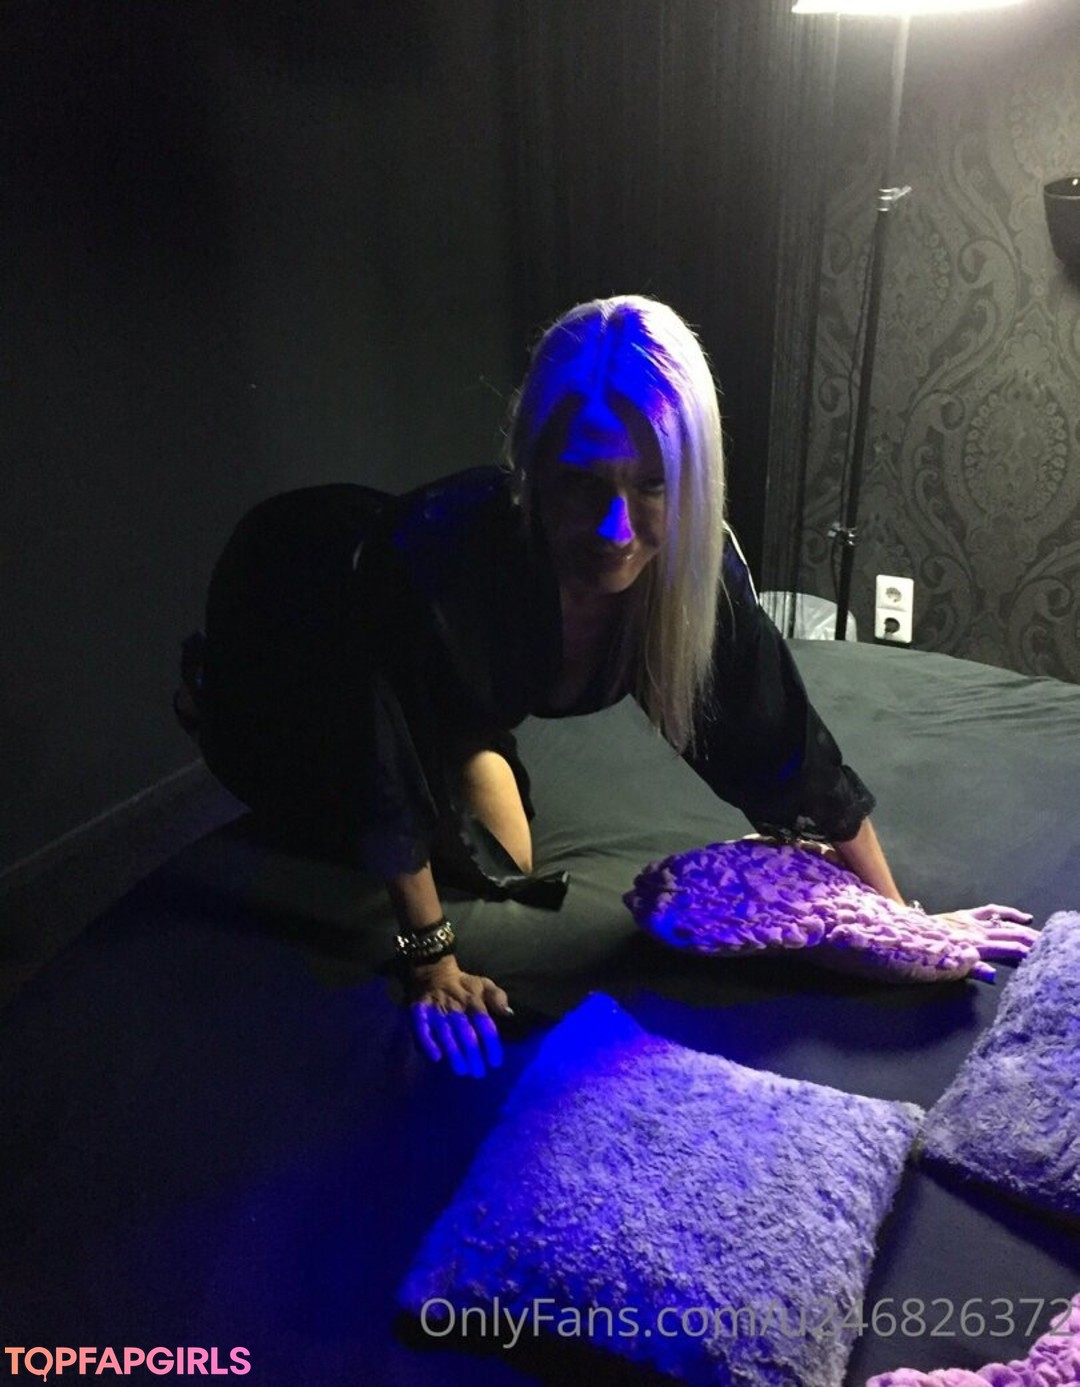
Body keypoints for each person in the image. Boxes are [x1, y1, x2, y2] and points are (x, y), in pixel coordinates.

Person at [175, 295, 1034, 1079]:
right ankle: (383, 738)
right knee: (342, 828)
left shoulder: (693, 572)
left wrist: (899, 920)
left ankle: (464, 736)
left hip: (432, 678)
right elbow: (380, 762)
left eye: (652, 483)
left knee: (507, 860)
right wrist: (431, 960)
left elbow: (784, 746)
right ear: (532, 470)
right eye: (584, 483)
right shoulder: (438, 566)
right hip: (295, 626)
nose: (619, 528)